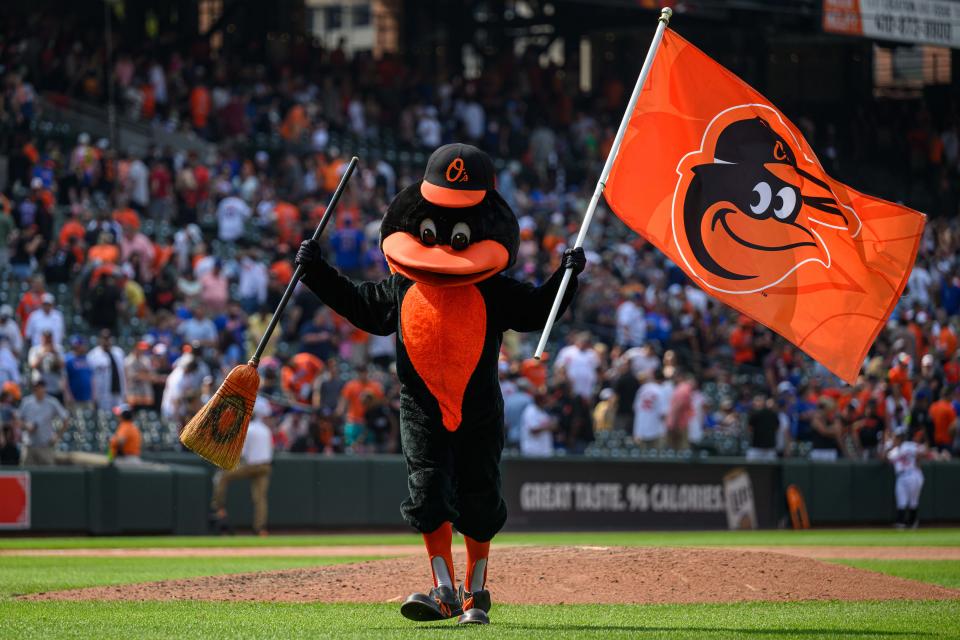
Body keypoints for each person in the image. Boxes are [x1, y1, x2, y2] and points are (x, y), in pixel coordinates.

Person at [295, 143, 583, 625]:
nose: (446, 240)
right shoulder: (404, 283)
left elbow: (535, 310)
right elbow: (363, 307)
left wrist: (566, 278)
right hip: (421, 407)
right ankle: (443, 589)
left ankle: (476, 593)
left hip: (479, 408)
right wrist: (317, 273)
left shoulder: (490, 287)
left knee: (479, 495)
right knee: (428, 493)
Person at [211, 397, 274, 536]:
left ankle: (219, 509)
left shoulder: (249, 430)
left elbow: (241, 453)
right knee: (260, 499)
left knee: (222, 476)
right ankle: (260, 529)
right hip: (266, 466)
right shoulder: (266, 430)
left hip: (253, 466)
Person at [20, 377, 69, 465]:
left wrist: (57, 436)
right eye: (37, 386)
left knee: (48, 474)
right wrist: (26, 426)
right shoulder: (26, 402)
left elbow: (65, 419)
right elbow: (18, 421)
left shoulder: (52, 402)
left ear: (45, 388)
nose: (39, 389)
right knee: (25, 474)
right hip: (29, 445)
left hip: (45, 445)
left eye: (41, 386)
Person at [886, 428, 929, 528]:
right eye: (896, 437)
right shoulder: (894, 450)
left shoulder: (909, 446)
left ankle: (912, 522)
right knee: (901, 501)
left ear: (901, 438)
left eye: (897, 437)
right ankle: (901, 523)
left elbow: (924, 451)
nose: (896, 439)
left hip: (913, 474)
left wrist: (918, 458)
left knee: (913, 501)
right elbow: (886, 458)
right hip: (901, 476)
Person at [88, 330, 127, 412]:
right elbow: (90, 378)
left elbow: (123, 373)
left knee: (119, 416)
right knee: (105, 417)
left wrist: (125, 392)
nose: (106, 340)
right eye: (104, 338)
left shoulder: (119, 352)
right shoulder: (93, 355)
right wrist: (93, 396)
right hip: (103, 395)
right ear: (100, 339)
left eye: (108, 338)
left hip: (118, 392)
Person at [632, 370, 668, 449]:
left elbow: (635, 408)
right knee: (656, 458)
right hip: (656, 431)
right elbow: (663, 414)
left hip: (640, 430)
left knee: (641, 458)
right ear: (662, 380)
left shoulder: (642, 388)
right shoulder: (661, 390)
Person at [520, 389, 555, 457]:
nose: (548, 401)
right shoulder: (530, 411)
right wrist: (549, 426)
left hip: (543, 451)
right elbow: (533, 430)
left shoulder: (543, 412)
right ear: (540, 400)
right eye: (545, 399)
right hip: (532, 451)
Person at [746, 395, 779, 460]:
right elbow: (776, 428)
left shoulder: (754, 414)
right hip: (767, 448)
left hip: (759, 449)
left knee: (753, 468)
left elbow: (749, 429)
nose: (755, 403)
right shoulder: (773, 414)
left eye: (758, 401)